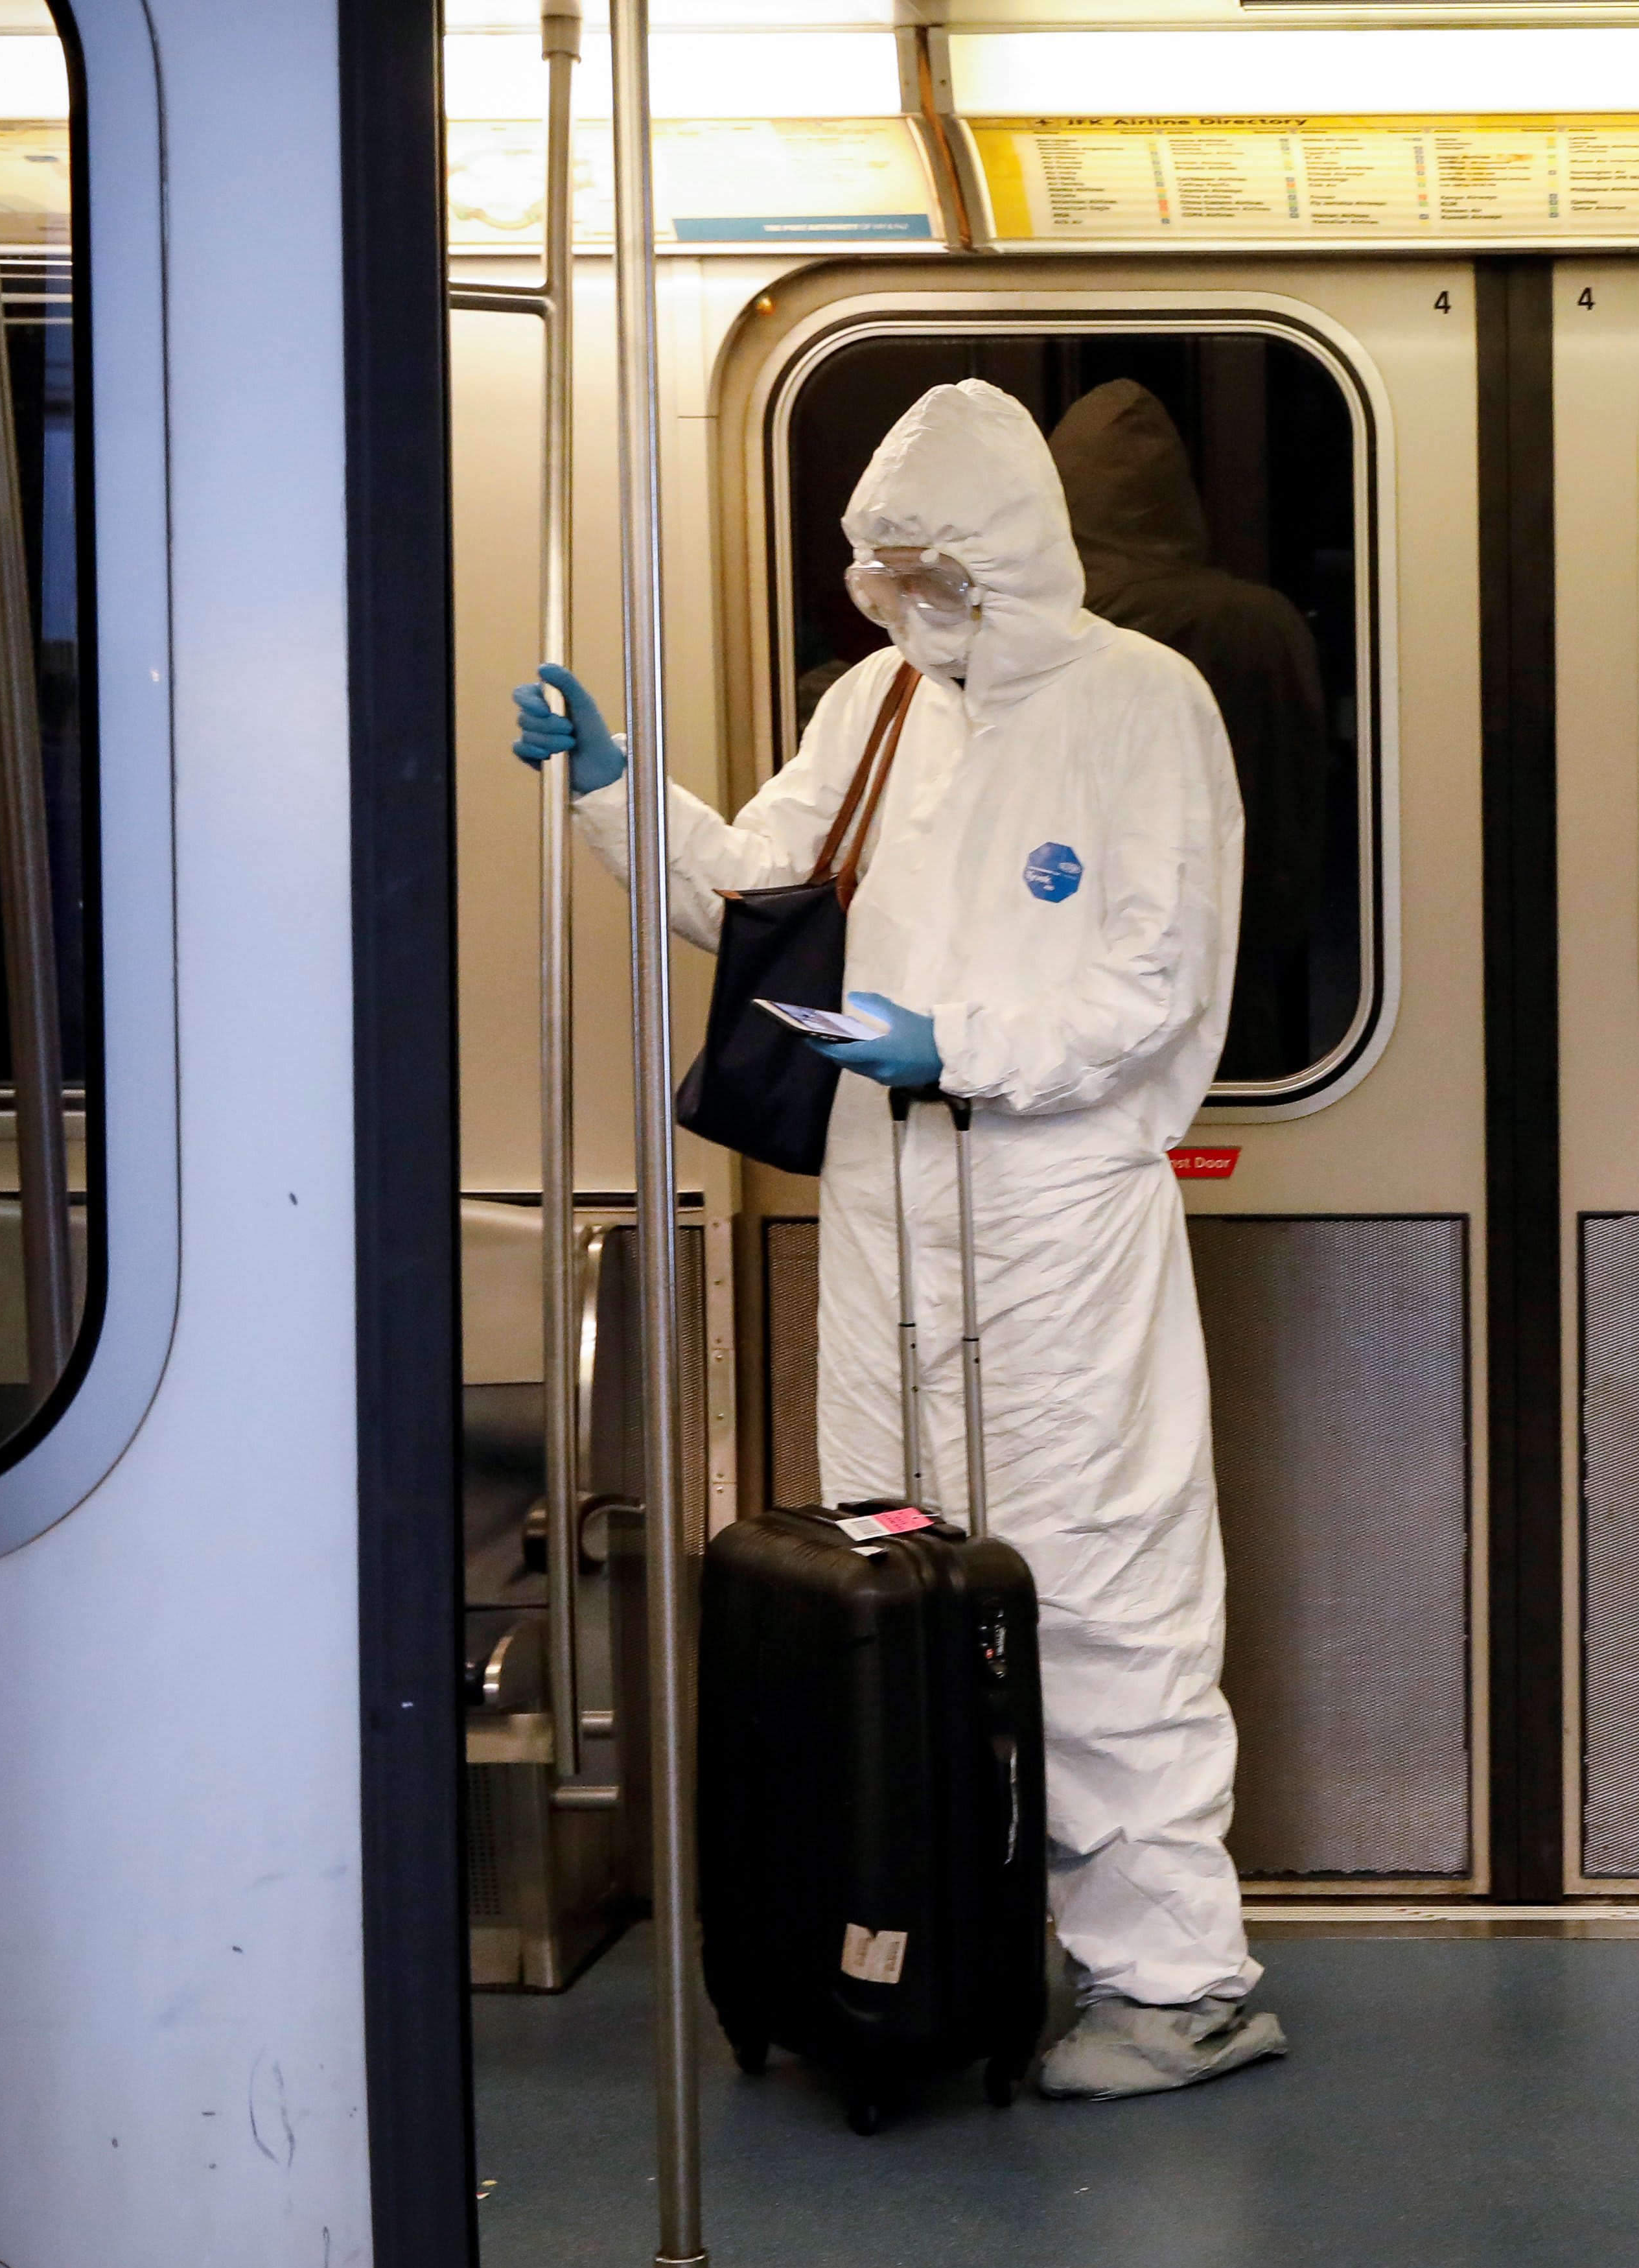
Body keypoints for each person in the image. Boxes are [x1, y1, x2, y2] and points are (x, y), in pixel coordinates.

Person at [511, 379, 1289, 2103]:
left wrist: (966, 1049)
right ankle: (936, 1929)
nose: (916, 601)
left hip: (1056, 1203)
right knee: (900, 1571)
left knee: (1096, 1585)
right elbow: (757, 892)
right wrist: (618, 796)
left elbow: (1150, 979)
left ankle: (1179, 1978)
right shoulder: (871, 705)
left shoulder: (1141, 702)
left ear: (1019, 555)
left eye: (947, 569)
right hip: (881, 1198)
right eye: (890, 572)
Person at [1042, 380, 1329, 1076]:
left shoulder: (1024, 632)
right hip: (1232, 988)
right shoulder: (1265, 627)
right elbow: (1294, 820)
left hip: (1056, 1002)